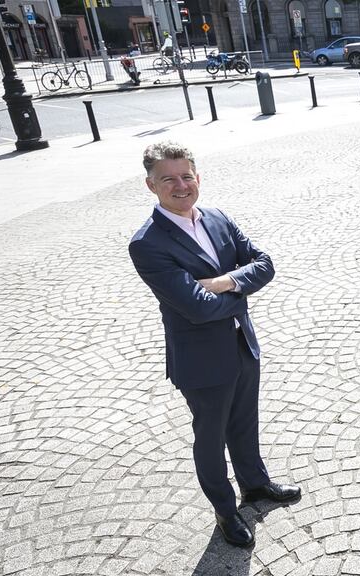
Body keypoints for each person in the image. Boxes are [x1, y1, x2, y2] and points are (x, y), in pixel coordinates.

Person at [129, 142, 301, 548]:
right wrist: (241, 288)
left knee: (244, 423)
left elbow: (265, 264)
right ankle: (226, 511)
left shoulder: (218, 218)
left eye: (186, 175)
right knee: (211, 438)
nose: (180, 185)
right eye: (168, 178)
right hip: (201, 362)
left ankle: (255, 484)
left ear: (198, 177)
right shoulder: (148, 243)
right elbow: (198, 309)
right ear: (151, 185)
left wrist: (224, 282)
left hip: (241, 343)